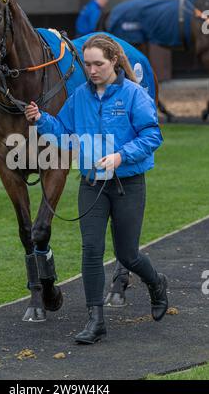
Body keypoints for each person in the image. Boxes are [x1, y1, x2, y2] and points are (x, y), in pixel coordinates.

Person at [25, 34, 168, 345]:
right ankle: (96, 320)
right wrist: (41, 120)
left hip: (127, 184)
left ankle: (157, 284)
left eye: (98, 64)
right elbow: (64, 133)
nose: (91, 70)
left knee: (127, 254)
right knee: (91, 251)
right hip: (91, 184)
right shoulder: (79, 97)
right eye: (87, 64)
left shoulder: (133, 95)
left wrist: (121, 156)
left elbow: (152, 135)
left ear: (114, 62)